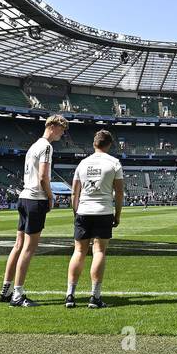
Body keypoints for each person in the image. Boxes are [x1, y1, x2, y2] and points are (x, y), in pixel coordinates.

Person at [0, 114, 68, 307]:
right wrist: (50, 196)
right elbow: (43, 177)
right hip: (35, 199)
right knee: (29, 249)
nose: (62, 134)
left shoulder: (33, 146)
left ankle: (6, 290)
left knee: (18, 245)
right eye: (62, 130)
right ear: (54, 126)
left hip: (24, 198)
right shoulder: (47, 146)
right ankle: (18, 295)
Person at [67, 129, 125, 309]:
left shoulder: (82, 164)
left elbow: (74, 193)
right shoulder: (114, 163)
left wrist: (76, 212)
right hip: (103, 211)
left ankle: (70, 295)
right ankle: (95, 297)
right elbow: (119, 193)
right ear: (109, 144)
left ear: (94, 144)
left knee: (79, 252)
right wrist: (117, 214)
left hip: (83, 211)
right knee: (98, 252)